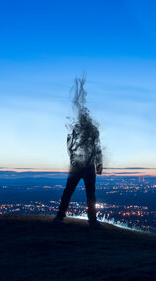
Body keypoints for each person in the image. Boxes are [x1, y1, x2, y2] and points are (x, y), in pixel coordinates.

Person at [54, 77, 103, 227]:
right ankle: (61, 216)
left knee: (89, 195)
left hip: (86, 167)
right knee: (70, 192)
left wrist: (99, 164)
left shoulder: (92, 131)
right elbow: (70, 146)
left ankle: (92, 220)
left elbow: (97, 148)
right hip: (79, 166)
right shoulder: (77, 130)